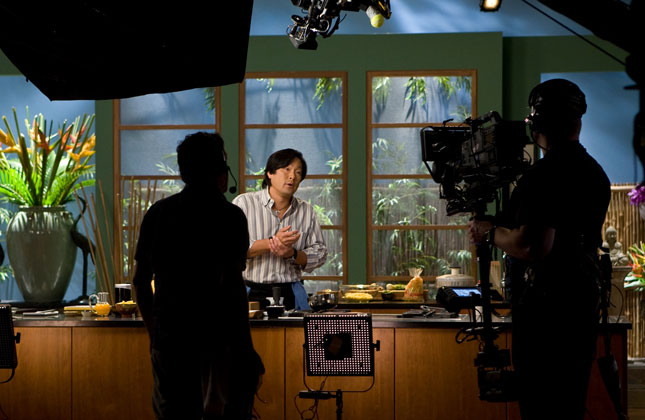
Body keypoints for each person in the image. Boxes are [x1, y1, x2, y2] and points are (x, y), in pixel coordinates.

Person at [467, 79, 610, 420]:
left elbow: (532, 245)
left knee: (540, 406)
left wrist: (489, 232)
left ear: (538, 125)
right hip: (581, 307)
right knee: (569, 404)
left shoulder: (544, 176)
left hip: (546, 316)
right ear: (578, 121)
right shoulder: (595, 172)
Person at [133, 132, 264, 420]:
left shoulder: (159, 214)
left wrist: (155, 334)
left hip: (172, 338)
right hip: (221, 340)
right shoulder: (230, 217)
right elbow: (233, 287)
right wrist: (246, 349)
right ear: (221, 172)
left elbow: (140, 282)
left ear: (182, 172)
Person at [232, 149, 327, 310]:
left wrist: (293, 254)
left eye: (298, 172)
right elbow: (231, 249)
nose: (292, 176)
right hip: (250, 292)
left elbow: (320, 253)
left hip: (292, 292)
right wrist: (272, 242)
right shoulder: (244, 203)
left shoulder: (306, 210)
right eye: (287, 169)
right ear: (270, 173)